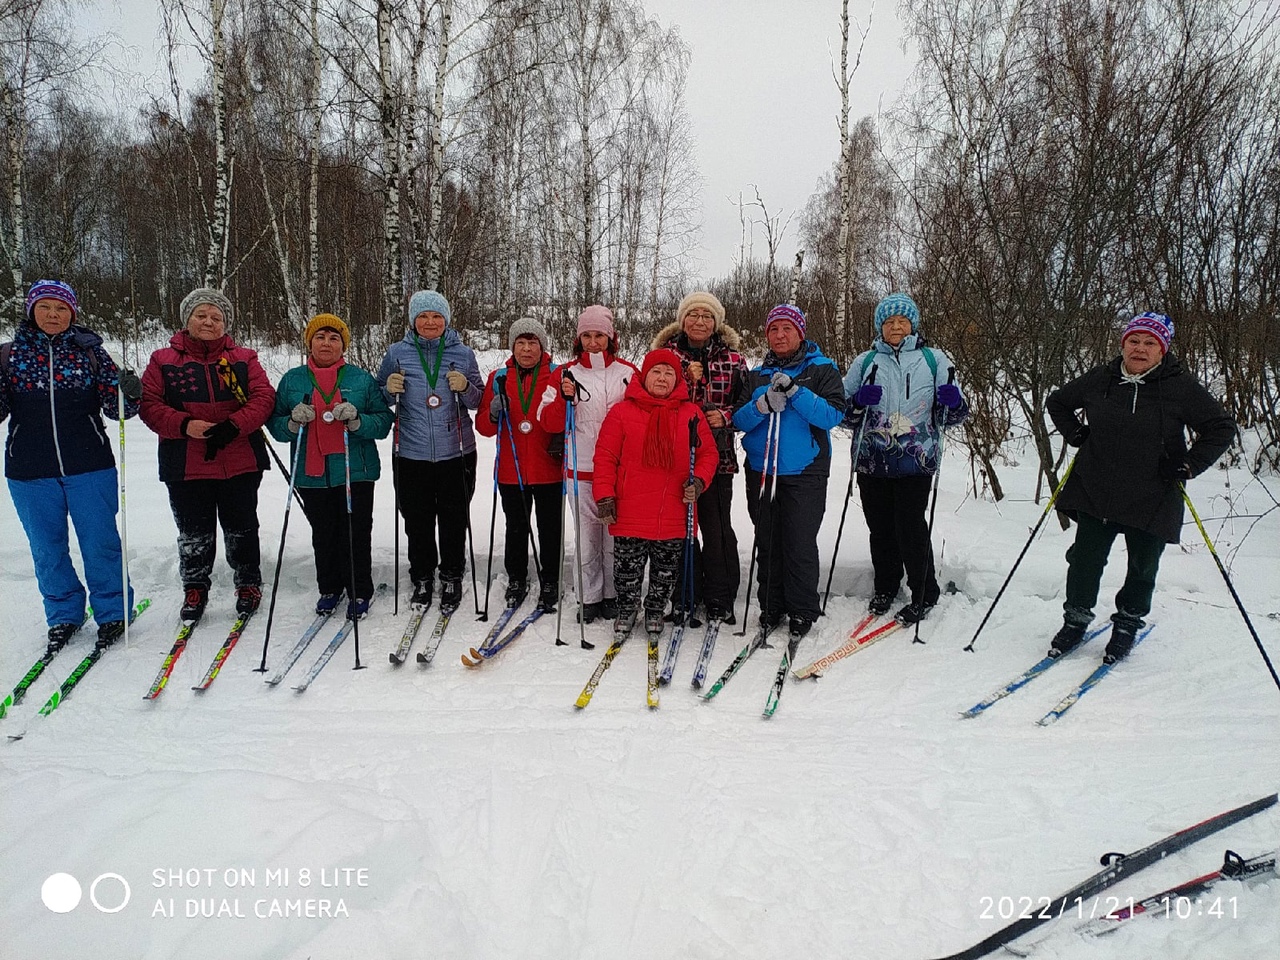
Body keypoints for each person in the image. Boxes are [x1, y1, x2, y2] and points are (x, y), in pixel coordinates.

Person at [1045, 311, 1235, 663]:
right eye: (1134, 340)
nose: (1140, 348)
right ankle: (1075, 621)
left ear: (1163, 350)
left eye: (1151, 343)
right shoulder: (1102, 378)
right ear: (1123, 344)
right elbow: (1057, 402)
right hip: (1095, 486)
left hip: (1153, 492)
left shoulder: (1178, 386)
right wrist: (1074, 432)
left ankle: (1127, 623)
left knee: (1143, 565)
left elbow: (1221, 427)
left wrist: (1190, 464)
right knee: (1085, 561)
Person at [1, 280, 139, 649]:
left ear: (72, 313)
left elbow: (117, 409)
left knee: (100, 542)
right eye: (45, 307)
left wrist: (129, 391)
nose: (53, 315)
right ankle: (63, 613)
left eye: (61, 309)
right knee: (47, 547)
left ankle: (113, 611)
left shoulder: (90, 352)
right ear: (31, 310)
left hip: (89, 465)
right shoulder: (9, 355)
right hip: (29, 469)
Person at [139, 287, 276, 622]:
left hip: (239, 458)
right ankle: (195, 585)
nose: (208, 322)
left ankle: (247, 582)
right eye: (201, 315)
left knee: (242, 527)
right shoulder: (164, 360)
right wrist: (185, 425)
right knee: (194, 531)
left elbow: (263, 397)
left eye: (216, 317)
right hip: (185, 462)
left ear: (225, 324)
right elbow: (149, 405)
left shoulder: (243, 358)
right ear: (188, 319)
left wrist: (234, 424)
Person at [842, 292, 968, 624]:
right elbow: (842, 414)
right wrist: (857, 401)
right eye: (889, 322)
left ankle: (924, 591)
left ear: (913, 324)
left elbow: (954, 415)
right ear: (879, 327)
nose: (896, 327)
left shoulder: (935, 359)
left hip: (916, 459)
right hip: (873, 458)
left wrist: (952, 402)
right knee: (880, 527)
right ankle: (886, 586)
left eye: (902, 321)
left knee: (910, 526)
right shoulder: (864, 362)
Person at [267, 314, 394, 619]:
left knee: (356, 532)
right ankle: (330, 587)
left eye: (334, 338)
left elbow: (384, 422)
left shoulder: (360, 379)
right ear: (309, 342)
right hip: (311, 474)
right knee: (323, 533)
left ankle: (360, 589)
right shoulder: (292, 380)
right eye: (320, 337)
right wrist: (292, 422)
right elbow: (275, 425)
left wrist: (358, 420)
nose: (326, 343)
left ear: (343, 346)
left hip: (355, 471)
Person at [732, 304, 845, 637]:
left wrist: (797, 393)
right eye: (773, 330)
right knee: (768, 539)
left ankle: (801, 608)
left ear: (800, 332)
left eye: (787, 329)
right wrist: (761, 405)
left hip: (805, 470)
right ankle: (772, 604)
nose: (780, 336)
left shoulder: (822, 369)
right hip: (762, 469)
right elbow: (738, 420)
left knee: (799, 541)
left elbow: (832, 416)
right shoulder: (756, 375)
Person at [592, 349, 718, 635]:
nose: (662, 378)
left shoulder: (691, 414)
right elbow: (605, 457)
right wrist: (605, 496)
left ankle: (655, 609)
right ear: (644, 376)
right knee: (627, 570)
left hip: (673, 509)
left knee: (665, 570)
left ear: (677, 380)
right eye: (656, 372)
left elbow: (708, 454)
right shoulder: (622, 412)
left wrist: (698, 482)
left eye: (669, 373)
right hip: (629, 510)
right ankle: (626, 608)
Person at [376, 290, 483, 610]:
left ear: (446, 320)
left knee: (454, 518)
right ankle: (422, 576)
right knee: (416, 520)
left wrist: (465, 387)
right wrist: (387, 389)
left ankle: (452, 574)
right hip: (411, 451)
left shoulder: (463, 353)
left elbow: (479, 400)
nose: (430, 322)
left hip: (457, 450)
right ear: (413, 321)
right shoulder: (397, 353)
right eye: (423, 316)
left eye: (437, 316)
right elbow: (379, 397)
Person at [651, 291, 749, 624]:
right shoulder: (665, 356)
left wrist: (725, 415)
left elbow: (747, 408)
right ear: (682, 319)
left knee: (717, 528)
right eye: (693, 314)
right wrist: (688, 383)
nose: (700, 321)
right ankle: (684, 594)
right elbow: (654, 402)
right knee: (679, 530)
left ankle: (720, 597)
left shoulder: (734, 360)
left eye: (707, 316)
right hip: (673, 460)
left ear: (716, 322)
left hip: (718, 460)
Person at [536, 305, 638, 623]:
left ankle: (612, 594)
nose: (593, 342)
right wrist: (565, 401)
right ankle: (589, 597)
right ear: (578, 339)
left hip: (619, 471)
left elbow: (640, 417)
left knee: (614, 537)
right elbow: (547, 421)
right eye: (587, 336)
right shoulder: (565, 373)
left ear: (611, 337)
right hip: (580, 469)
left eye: (599, 336)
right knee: (586, 537)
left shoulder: (627, 372)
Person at [476, 318, 563, 612]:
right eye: (521, 343)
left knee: (550, 528)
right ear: (512, 346)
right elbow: (484, 428)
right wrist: (492, 413)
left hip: (548, 467)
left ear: (542, 346)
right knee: (516, 527)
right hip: (511, 468)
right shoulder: (499, 377)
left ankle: (550, 579)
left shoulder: (555, 374)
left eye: (533, 343)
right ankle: (516, 578)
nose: (526, 349)